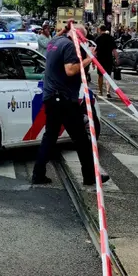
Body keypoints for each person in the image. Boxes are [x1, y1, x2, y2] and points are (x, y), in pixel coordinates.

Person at [32, 24, 109, 186]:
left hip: (52, 97)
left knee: (50, 136)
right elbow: (70, 70)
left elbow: (53, 38)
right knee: (81, 138)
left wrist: (66, 28)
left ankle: (38, 174)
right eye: (83, 39)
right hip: (64, 99)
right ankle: (89, 176)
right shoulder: (69, 46)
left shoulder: (56, 41)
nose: (84, 43)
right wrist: (90, 58)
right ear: (79, 37)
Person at [95, 25, 118, 98]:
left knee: (100, 75)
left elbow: (95, 50)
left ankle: (100, 91)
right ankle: (108, 92)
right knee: (108, 75)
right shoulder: (111, 38)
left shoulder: (98, 39)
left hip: (100, 59)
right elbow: (114, 50)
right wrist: (117, 59)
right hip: (109, 59)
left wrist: (92, 60)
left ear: (99, 30)